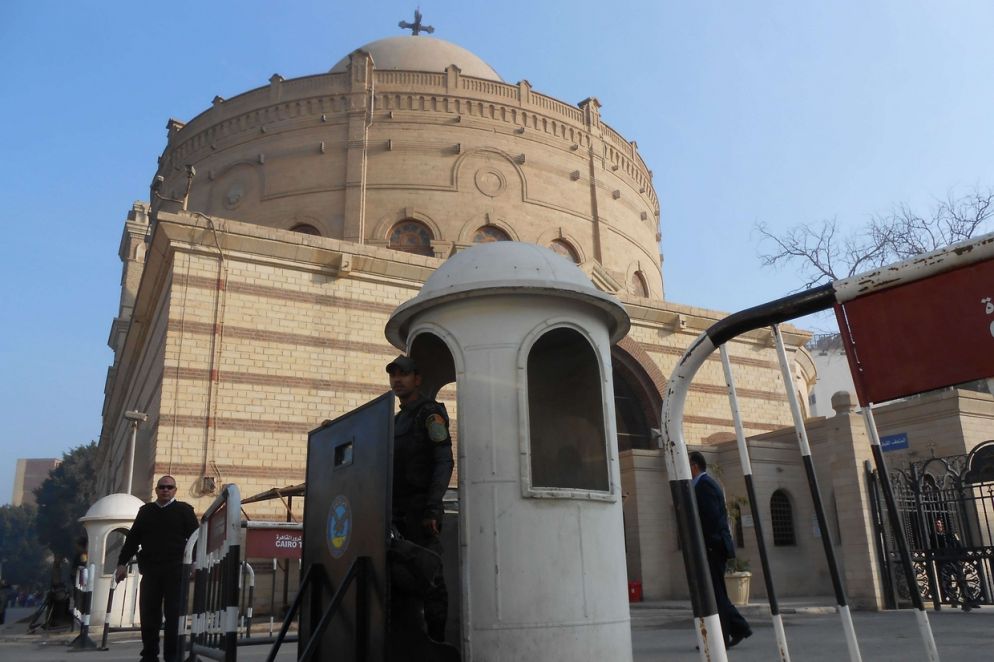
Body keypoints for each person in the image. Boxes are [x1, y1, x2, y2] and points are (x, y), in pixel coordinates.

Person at [387, 355, 455, 643]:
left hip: (420, 512)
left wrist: (432, 507)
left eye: (403, 374)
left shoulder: (429, 413)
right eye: (393, 375)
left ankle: (437, 645)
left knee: (431, 580)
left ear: (417, 379)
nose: (397, 380)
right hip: (396, 513)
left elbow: (444, 460)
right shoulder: (395, 420)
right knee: (399, 581)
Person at [116, 475, 198, 662]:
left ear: (175, 490)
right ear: (156, 490)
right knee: (149, 615)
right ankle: (149, 655)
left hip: (176, 571)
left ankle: (172, 656)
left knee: (174, 615)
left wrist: (195, 563)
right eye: (162, 487)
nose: (165, 490)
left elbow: (196, 539)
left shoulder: (184, 510)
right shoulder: (146, 512)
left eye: (169, 487)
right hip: (151, 571)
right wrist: (122, 563)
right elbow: (133, 539)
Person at [688, 451, 752, 649]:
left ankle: (721, 638)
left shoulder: (705, 486)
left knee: (715, 594)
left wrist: (706, 545)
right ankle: (738, 628)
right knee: (715, 593)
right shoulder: (701, 485)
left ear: (694, 466)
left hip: (713, 547)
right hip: (712, 547)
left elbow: (711, 519)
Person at [931, 517, 978, 612]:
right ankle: (954, 600)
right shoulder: (933, 536)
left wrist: (961, 555)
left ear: (942, 524)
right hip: (943, 560)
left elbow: (958, 544)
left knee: (961, 580)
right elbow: (934, 548)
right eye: (936, 524)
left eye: (939, 523)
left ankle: (968, 599)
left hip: (954, 559)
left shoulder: (950, 534)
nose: (938, 525)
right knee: (947, 581)